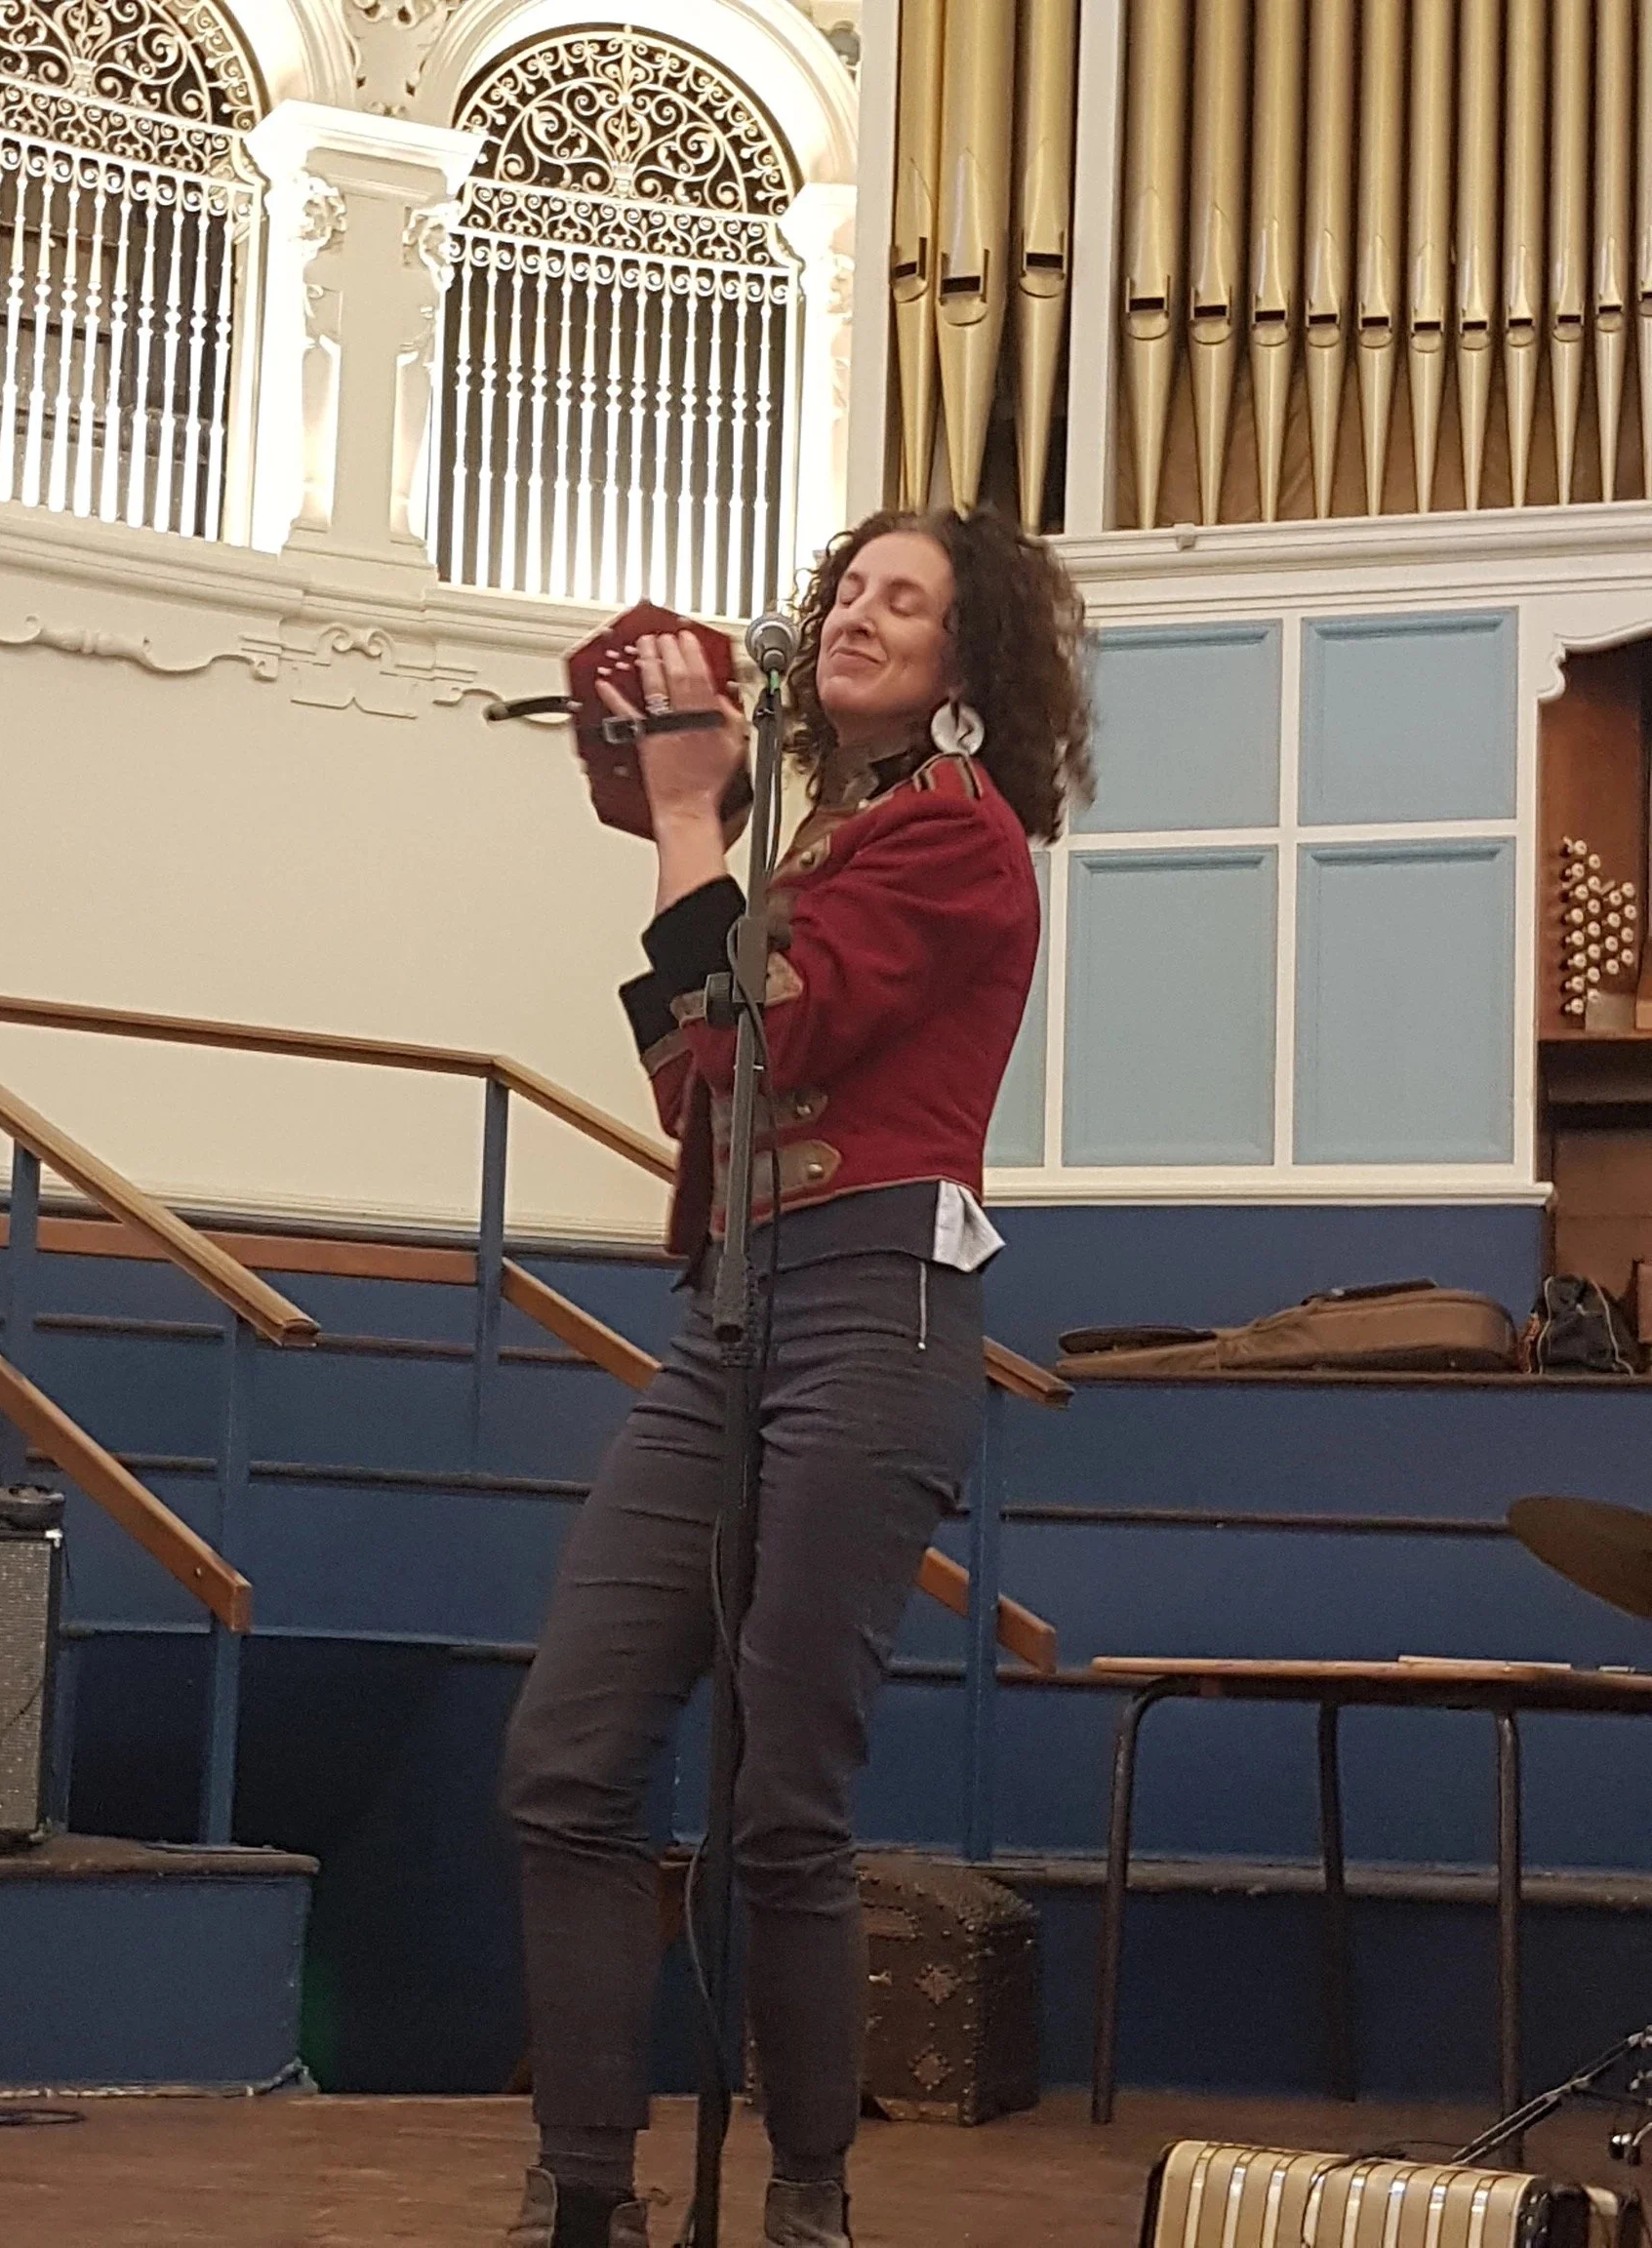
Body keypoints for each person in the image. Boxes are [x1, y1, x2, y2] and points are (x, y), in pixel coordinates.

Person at [499, 505, 1091, 2248]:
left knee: (782, 1804)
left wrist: (689, 820)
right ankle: (583, 2187)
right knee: (568, 1759)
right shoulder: (827, 846)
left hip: (878, 1308)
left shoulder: (963, 840)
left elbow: (763, 1034)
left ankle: (807, 2204)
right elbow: (700, 1082)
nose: (857, 614)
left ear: (967, 667)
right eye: (849, 585)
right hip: (734, 1307)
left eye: (905, 601)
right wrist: (694, 827)